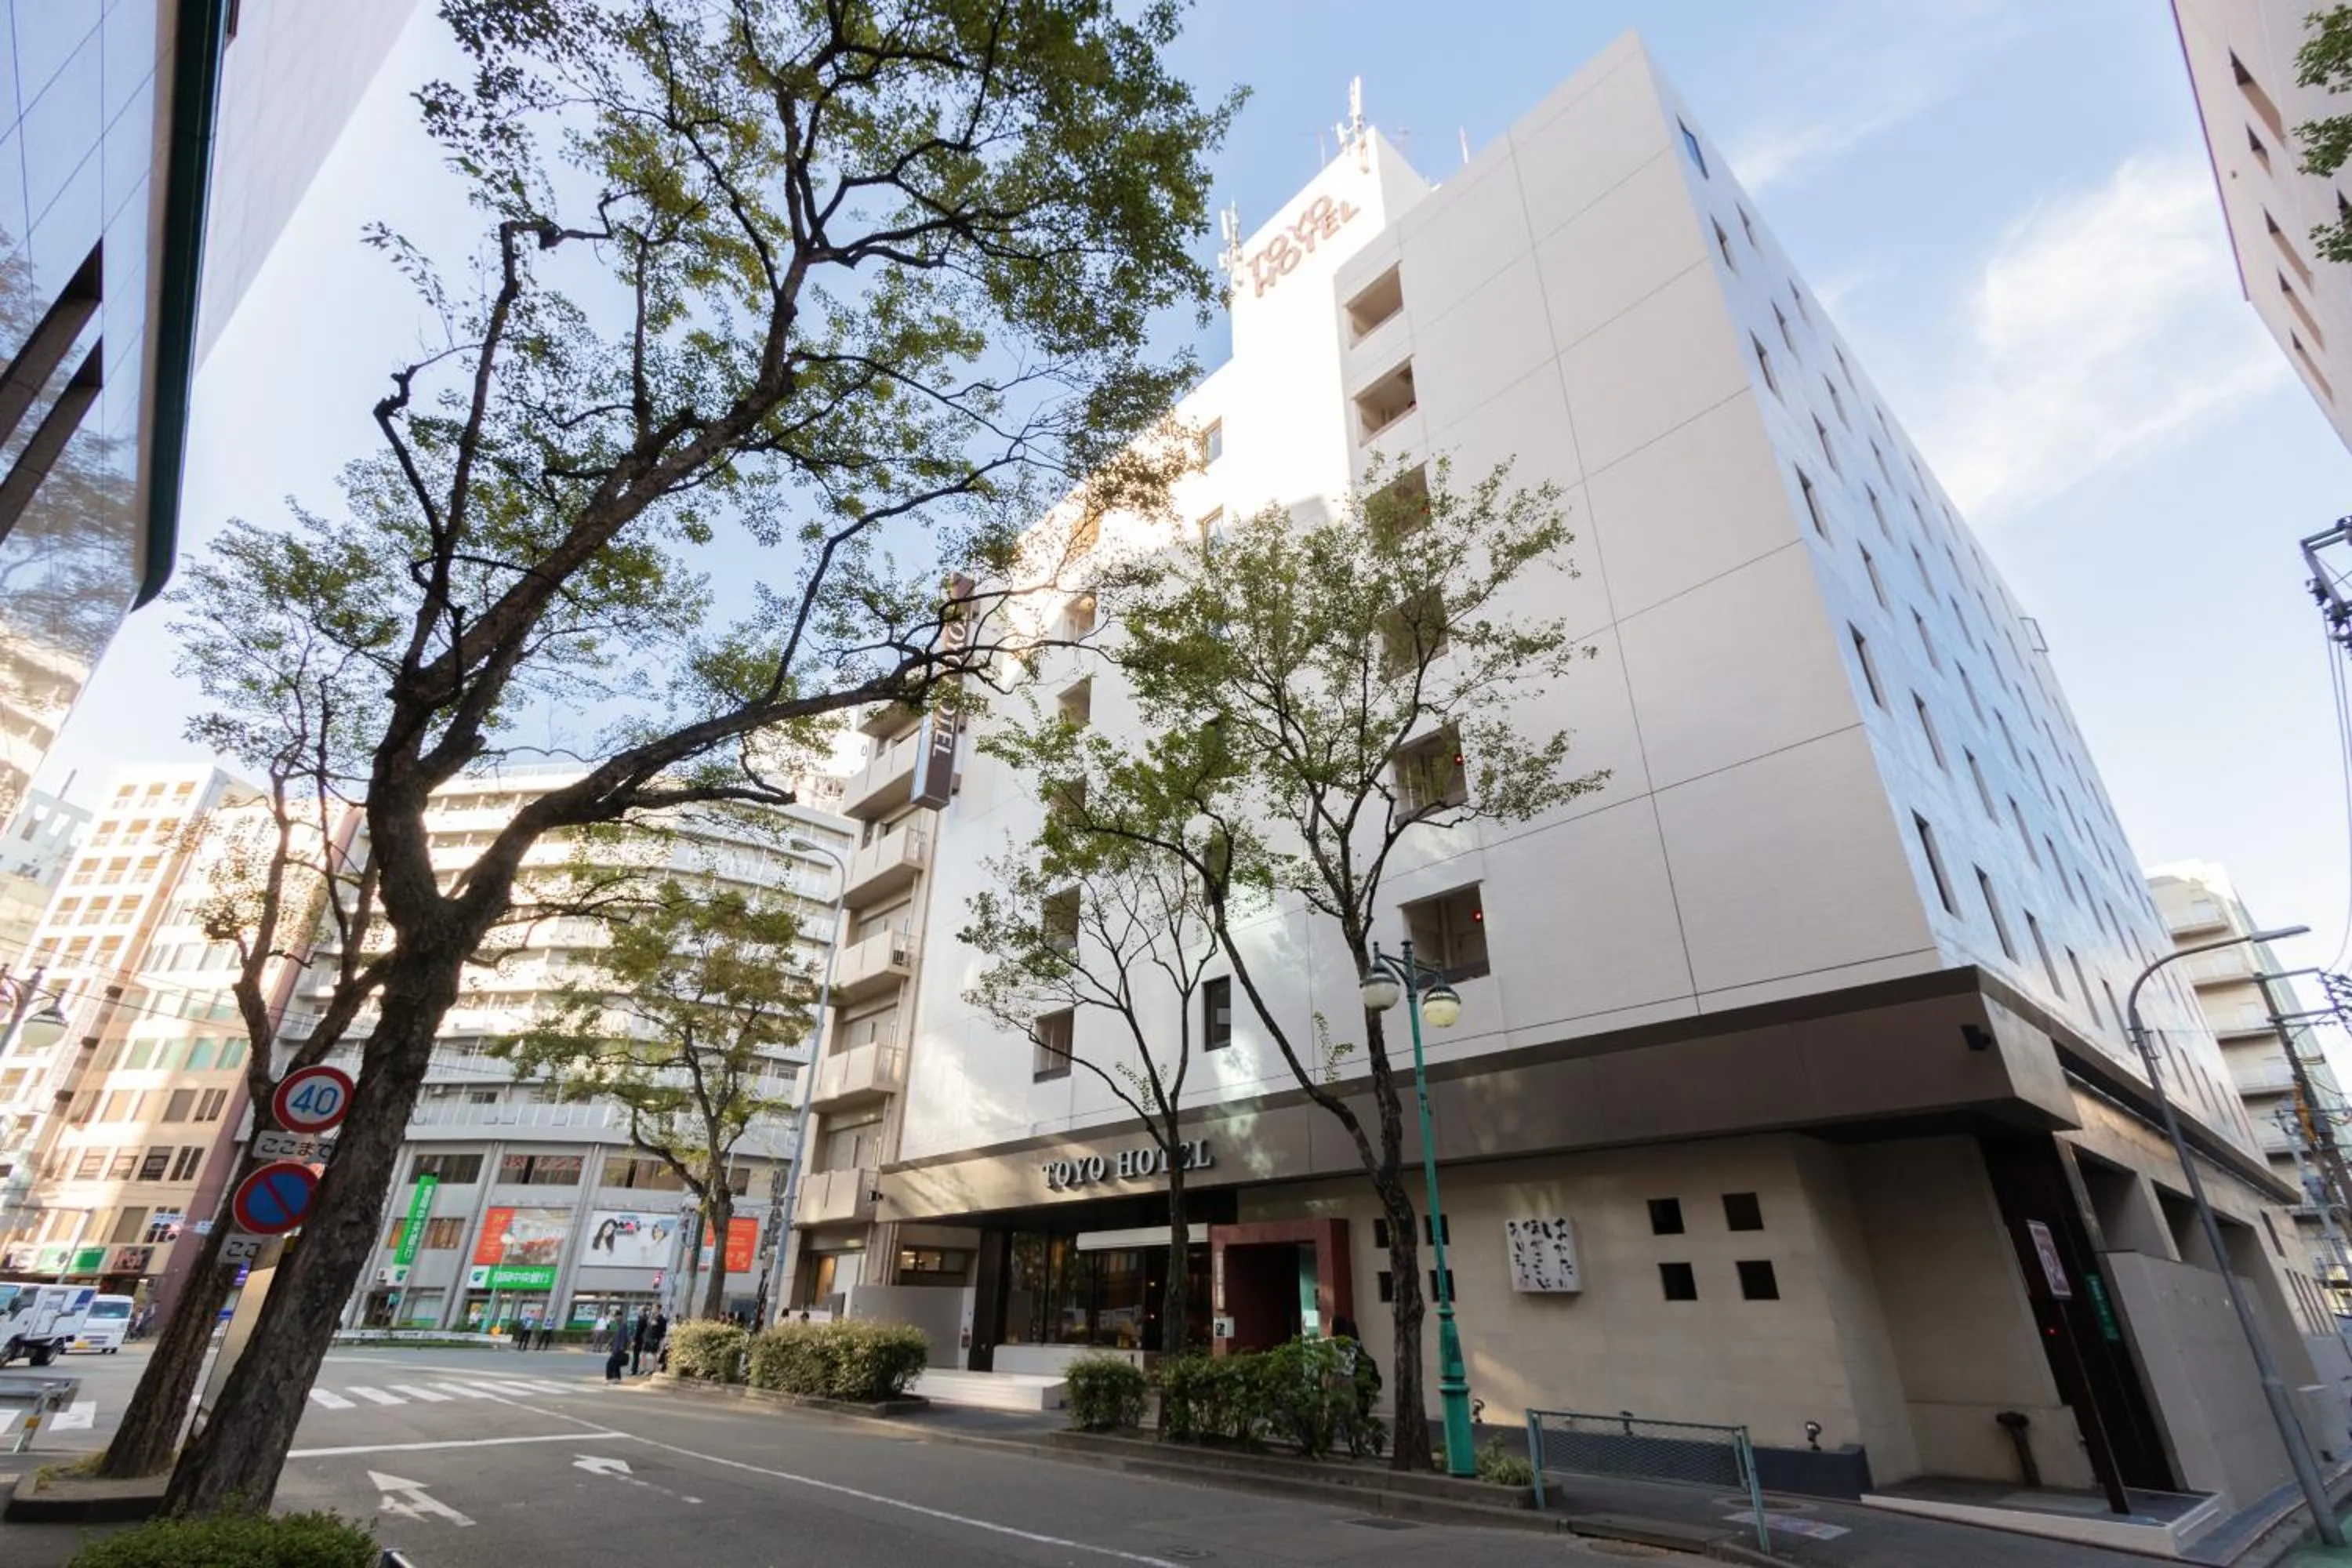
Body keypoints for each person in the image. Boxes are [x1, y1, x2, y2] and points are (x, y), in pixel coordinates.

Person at [630, 1308, 652, 1375]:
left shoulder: (641, 1320)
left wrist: (634, 1340)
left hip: (639, 1340)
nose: (638, 1312)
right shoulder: (647, 1320)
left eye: (640, 1311)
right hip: (643, 1339)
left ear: (642, 1312)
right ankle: (640, 1369)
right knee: (641, 1355)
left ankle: (634, 1370)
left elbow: (638, 1331)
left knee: (636, 1355)